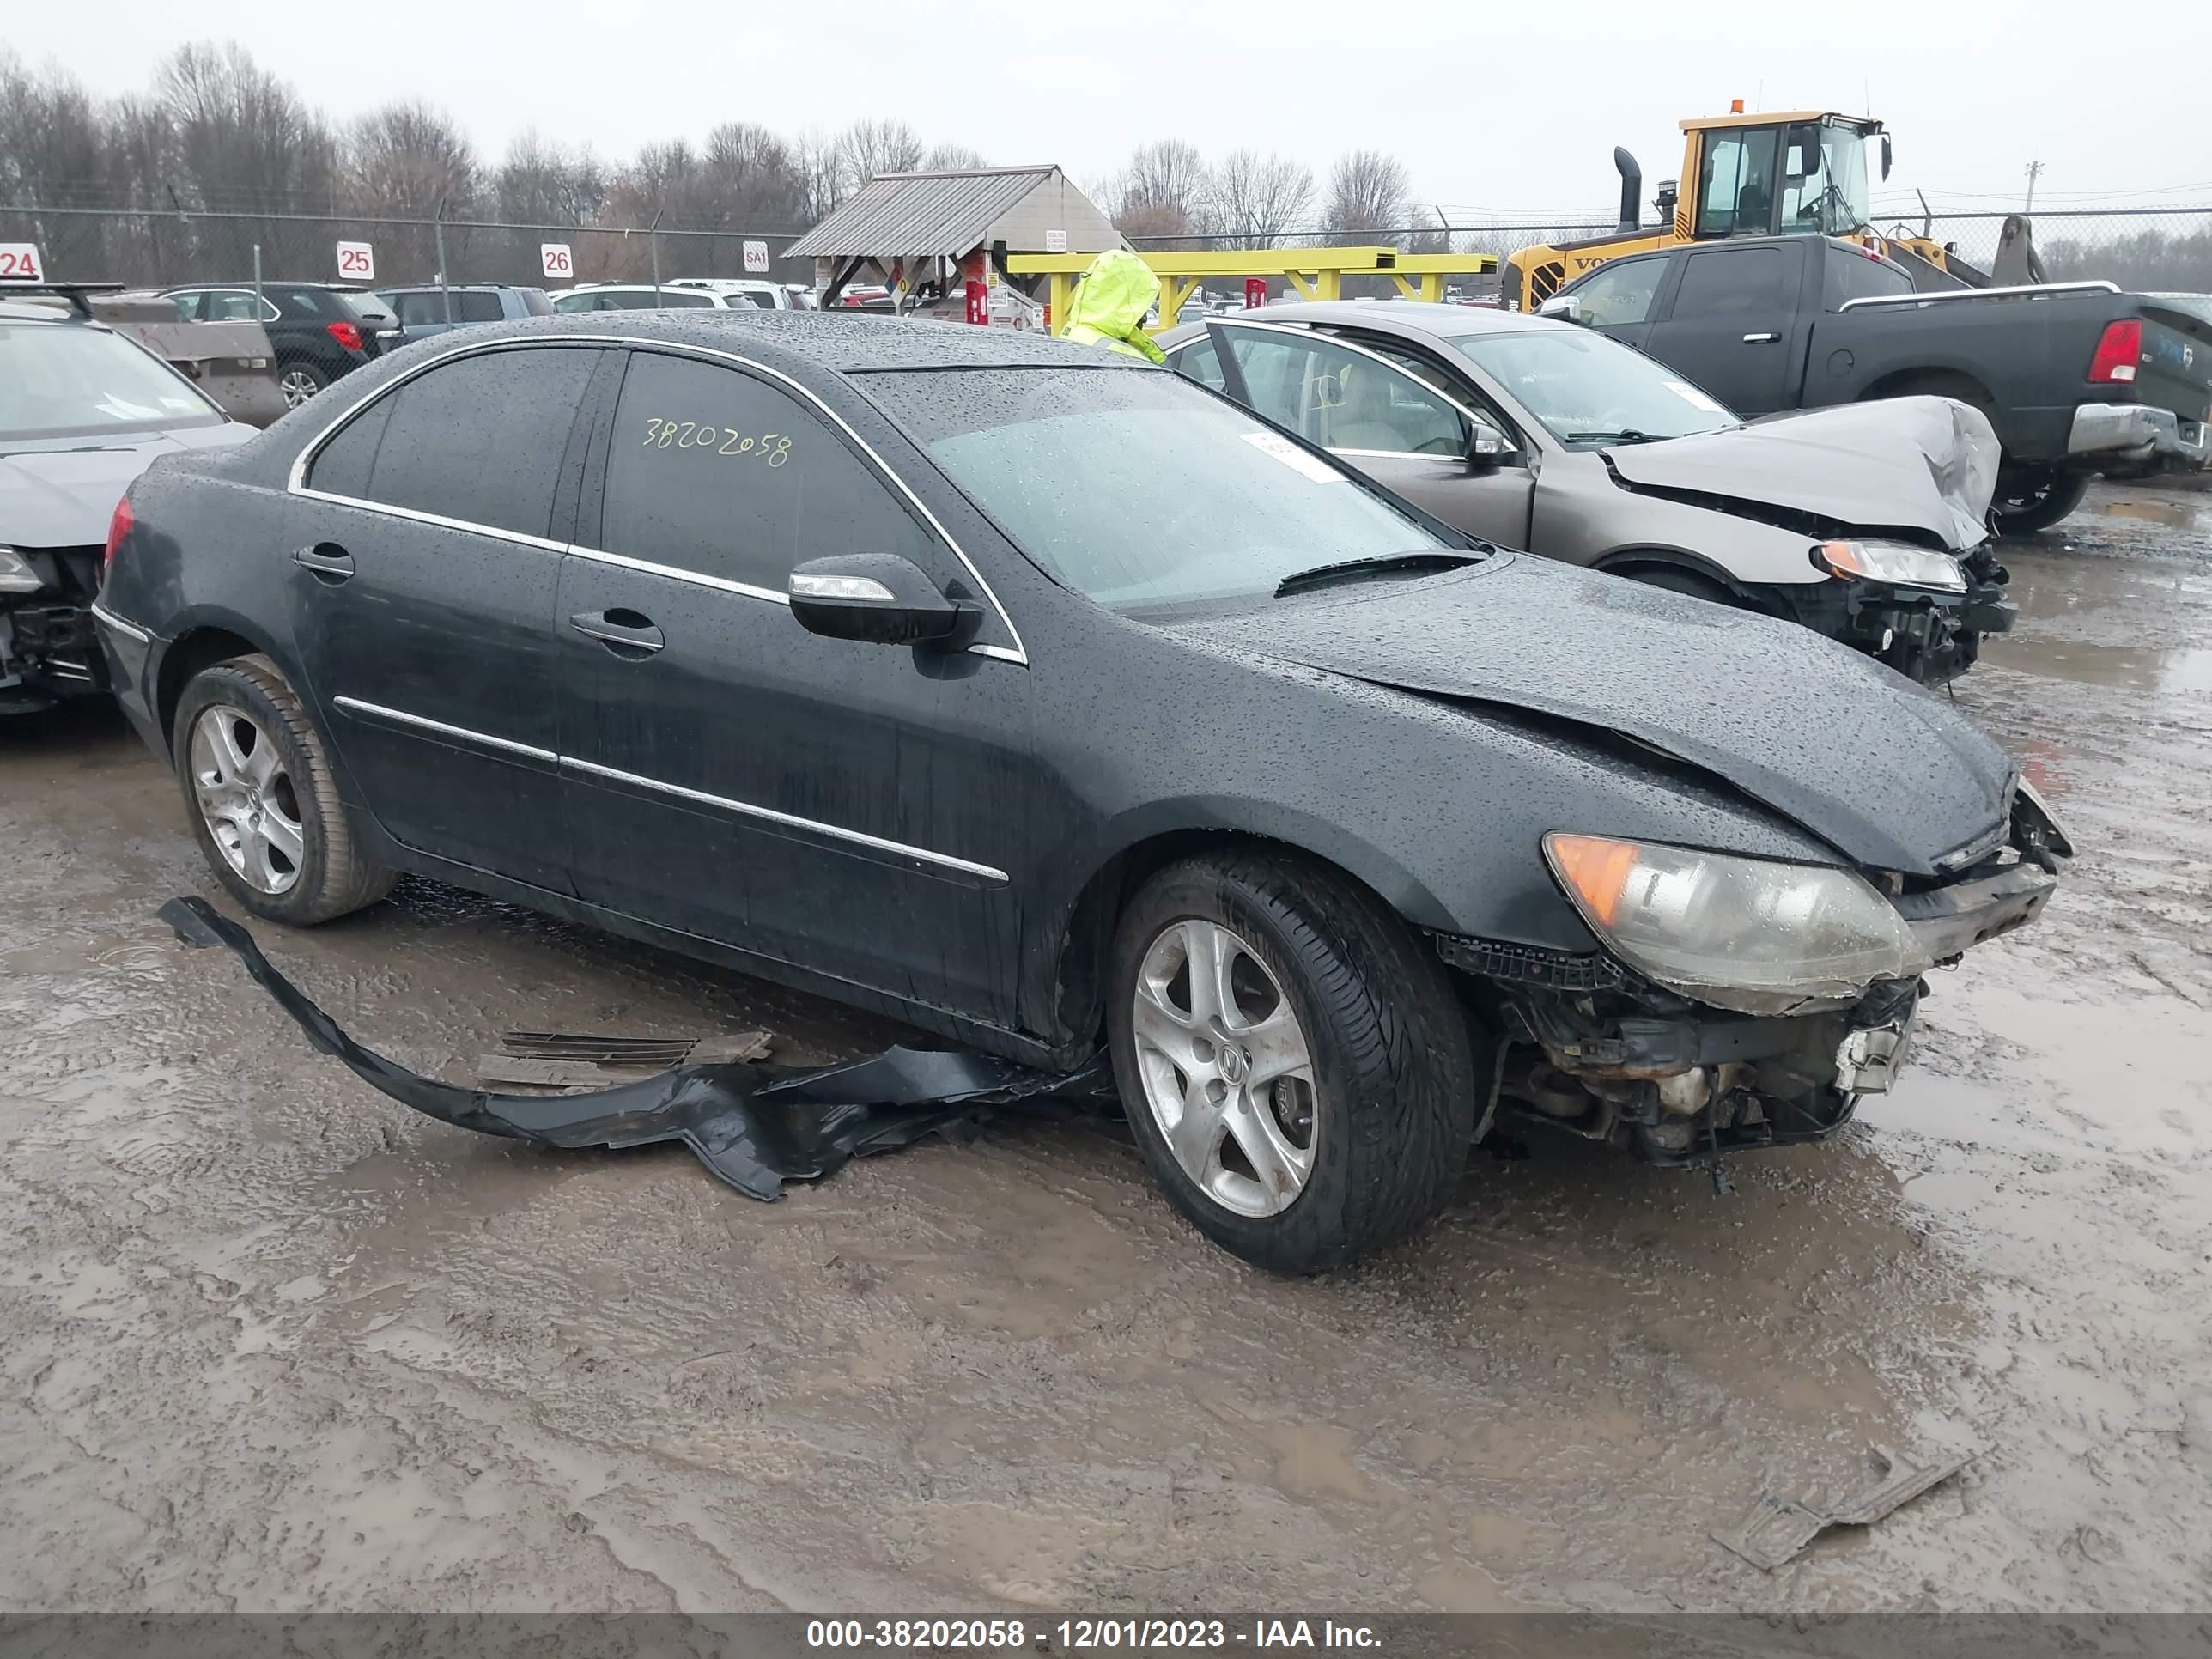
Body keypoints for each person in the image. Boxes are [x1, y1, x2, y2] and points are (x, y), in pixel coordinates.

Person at [1062, 248, 1165, 363]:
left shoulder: (1070, 335)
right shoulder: (1126, 358)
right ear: (1124, 305)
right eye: (1141, 307)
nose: (1144, 318)